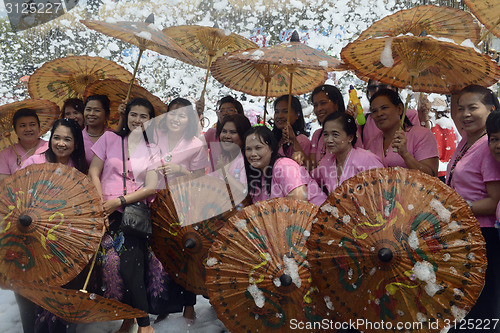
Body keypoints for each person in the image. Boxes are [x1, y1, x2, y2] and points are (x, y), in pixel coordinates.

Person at [88, 98, 159, 333]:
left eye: (144, 116)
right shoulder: (110, 139)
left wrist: (118, 201)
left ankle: (144, 325)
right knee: (111, 269)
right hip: (104, 212)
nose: (137, 120)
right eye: (134, 114)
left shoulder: (152, 150)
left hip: (132, 212)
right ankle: (128, 317)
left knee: (131, 264)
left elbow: (151, 187)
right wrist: (101, 206)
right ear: (126, 116)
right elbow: (94, 171)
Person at [446, 86, 500, 331]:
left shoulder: (489, 147)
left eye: (472, 108)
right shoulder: (466, 142)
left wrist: (456, 208)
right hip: (463, 234)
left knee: (481, 307)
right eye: (460, 109)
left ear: (492, 109)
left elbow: (493, 201)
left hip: (483, 236)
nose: (464, 114)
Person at [152, 97, 209, 325]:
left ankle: (188, 306)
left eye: (183, 114)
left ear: (189, 119)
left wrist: (180, 170)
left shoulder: (196, 144)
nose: (177, 118)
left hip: (182, 205)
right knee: (160, 253)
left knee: (184, 253)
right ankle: (163, 304)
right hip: (156, 202)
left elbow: (200, 178)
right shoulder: (157, 137)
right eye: (173, 113)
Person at [243, 126, 326, 206]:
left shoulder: (283, 166)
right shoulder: (256, 176)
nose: (253, 154)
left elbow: (299, 206)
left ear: (271, 148)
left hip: (317, 216)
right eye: (248, 149)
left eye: (258, 148)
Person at [365, 88, 438, 176]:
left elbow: (431, 176)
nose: (379, 114)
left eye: (384, 108)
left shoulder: (421, 135)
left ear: (399, 109)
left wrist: (405, 155)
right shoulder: (372, 143)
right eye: (374, 111)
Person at [312, 112, 383, 194]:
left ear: (350, 137)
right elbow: (310, 179)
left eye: (335, 134)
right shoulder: (326, 163)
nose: (329, 140)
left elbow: (383, 190)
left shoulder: (367, 159)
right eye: (326, 135)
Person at [358, 79, 420, 147]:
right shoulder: (363, 120)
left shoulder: (411, 115)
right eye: (372, 88)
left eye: (382, 86)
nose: (377, 90)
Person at [0, 108, 48, 182]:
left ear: (39, 127)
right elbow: (4, 186)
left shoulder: (51, 148)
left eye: (32, 125)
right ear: (15, 130)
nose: (28, 129)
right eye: (22, 126)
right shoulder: (4, 155)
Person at [23, 118, 88, 172]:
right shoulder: (34, 162)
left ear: (76, 143)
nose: (60, 144)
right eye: (56, 138)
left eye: (67, 140)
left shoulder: (78, 168)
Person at [212, 113, 251, 199]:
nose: (227, 136)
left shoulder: (246, 161)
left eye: (233, 132)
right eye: (224, 131)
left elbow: (244, 192)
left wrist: (225, 174)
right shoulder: (225, 158)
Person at [204, 95, 245, 170]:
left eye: (230, 110)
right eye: (221, 110)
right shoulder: (212, 133)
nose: (225, 113)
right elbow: (194, 148)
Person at [309, 84, 345, 169]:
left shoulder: (349, 130)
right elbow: (312, 168)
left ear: (336, 104)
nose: (318, 109)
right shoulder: (317, 135)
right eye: (315, 105)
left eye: (323, 103)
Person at [272, 95, 310, 166]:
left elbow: (307, 167)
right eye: (276, 112)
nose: (279, 116)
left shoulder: (301, 140)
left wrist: (293, 141)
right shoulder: (275, 138)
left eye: (285, 111)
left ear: (297, 115)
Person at [82, 95, 110, 165]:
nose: (91, 114)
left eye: (97, 110)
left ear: (106, 114)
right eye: (88, 109)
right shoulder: (78, 137)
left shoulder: (114, 136)